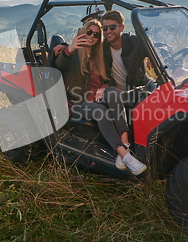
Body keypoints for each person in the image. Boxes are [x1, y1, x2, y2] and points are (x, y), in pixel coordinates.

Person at [55, 19, 147, 175]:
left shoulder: (100, 55)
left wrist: (103, 87)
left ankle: (124, 142)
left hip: (97, 98)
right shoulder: (74, 53)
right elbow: (59, 65)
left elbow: (108, 80)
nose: (92, 36)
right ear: (83, 32)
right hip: (78, 102)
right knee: (101, 111)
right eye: (89, 32)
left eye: (96, 35)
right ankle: (125, 156)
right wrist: (68, 48)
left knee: (112, 91)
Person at [101, 10, 153, 92]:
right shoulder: (102, 47)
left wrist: (152, 54)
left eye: (112, 27)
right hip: (119, 94)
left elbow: (160, 47)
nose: (108, 31)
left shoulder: (134, 42)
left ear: (122, 28)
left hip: (142, 89)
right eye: (104, 28)